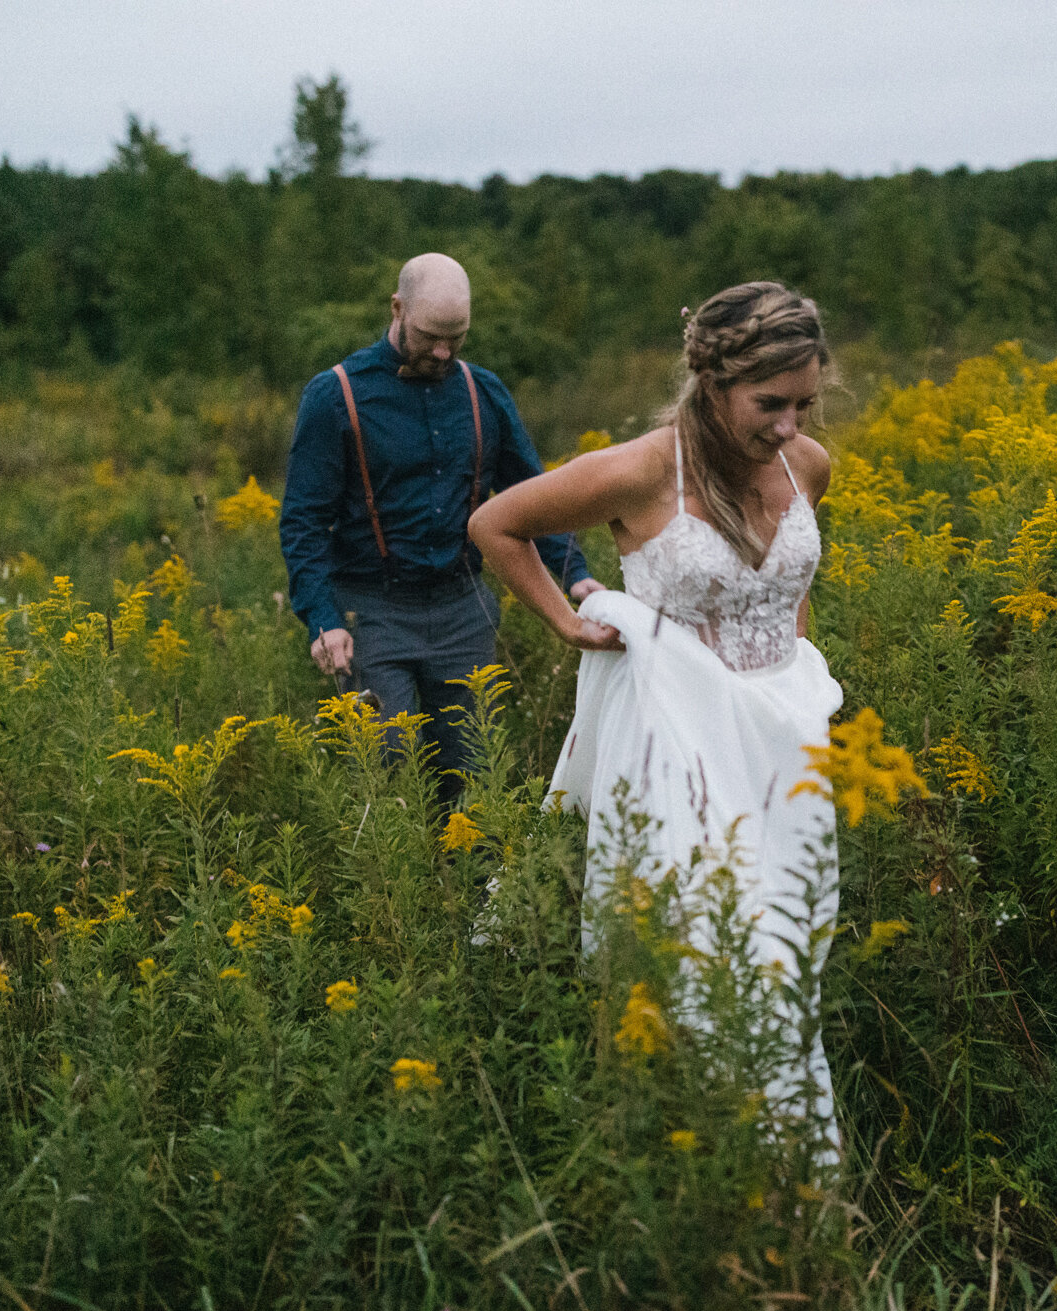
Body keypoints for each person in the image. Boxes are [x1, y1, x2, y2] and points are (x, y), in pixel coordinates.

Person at [468, 281, 843, 1151]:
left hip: (784, 734)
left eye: (805, 403)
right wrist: (566, 621)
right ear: (712, 384)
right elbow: (496, 523)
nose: (790, 425)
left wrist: (792, 679)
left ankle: (763, 1145)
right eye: (769, 404)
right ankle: (661, 1131)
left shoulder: (807, 466)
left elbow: (791, 588)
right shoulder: (643, 469)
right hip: (675, 733)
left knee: (791, 932)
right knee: (699, 932)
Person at [278, 253, 602, 792]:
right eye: (430, 336)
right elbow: (304, 522)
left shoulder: (484, 392)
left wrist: (575, 573)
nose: (444, 351)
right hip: (370, 614)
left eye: (458, 337)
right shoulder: (335, 395)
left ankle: (475, 879)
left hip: (464, 611)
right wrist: (322, 618)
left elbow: (531, 496)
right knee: (389, 770)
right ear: (397, 308)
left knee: (474, 775)